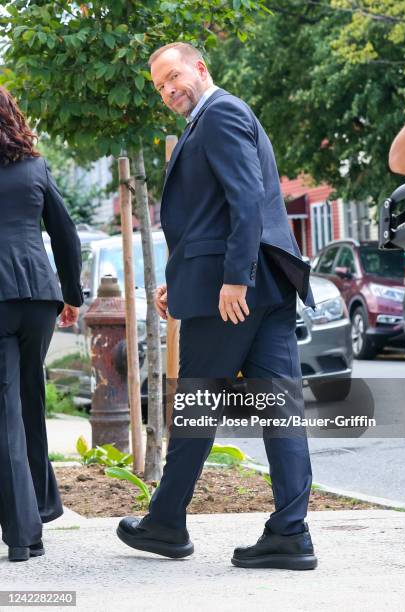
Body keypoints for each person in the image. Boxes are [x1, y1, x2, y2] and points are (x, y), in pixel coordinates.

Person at [116, 43, 317, 570]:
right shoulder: (207, 120)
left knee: (196, 405)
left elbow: (246, 198)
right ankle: (290, 534)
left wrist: (234, 280)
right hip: (264, 287)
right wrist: (177, 281)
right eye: (159, 85)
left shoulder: (221, 112)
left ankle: (164, 524)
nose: (167, 90)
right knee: (281, 411)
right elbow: (209, 217)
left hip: (238, 294)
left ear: (200, 68)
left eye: (173, 76)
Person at [0, 86, 83, 562]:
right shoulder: (35, 168)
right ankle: (42, 511)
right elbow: (66, 234)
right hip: (38, 298)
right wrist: (71, 295)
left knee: (7, 412)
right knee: (30, 400)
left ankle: (22, 535)